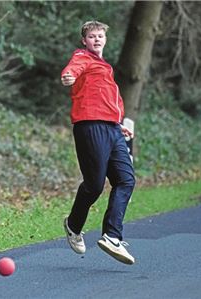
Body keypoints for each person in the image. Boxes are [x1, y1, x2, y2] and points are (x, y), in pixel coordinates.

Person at [61, 21, 136, 265]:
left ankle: (112, 236)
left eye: (100, 36)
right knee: (94, 185)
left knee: (126, 180)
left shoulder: (105, 66)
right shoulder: (83, 57)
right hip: (90, 125)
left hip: (112, 128)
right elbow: (73, 69)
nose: (96, 39)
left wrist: (118, 121)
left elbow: (106, 96)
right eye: (92, 36)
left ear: (105, 39)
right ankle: (73, 225)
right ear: (85, 40)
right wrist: (68, 76)